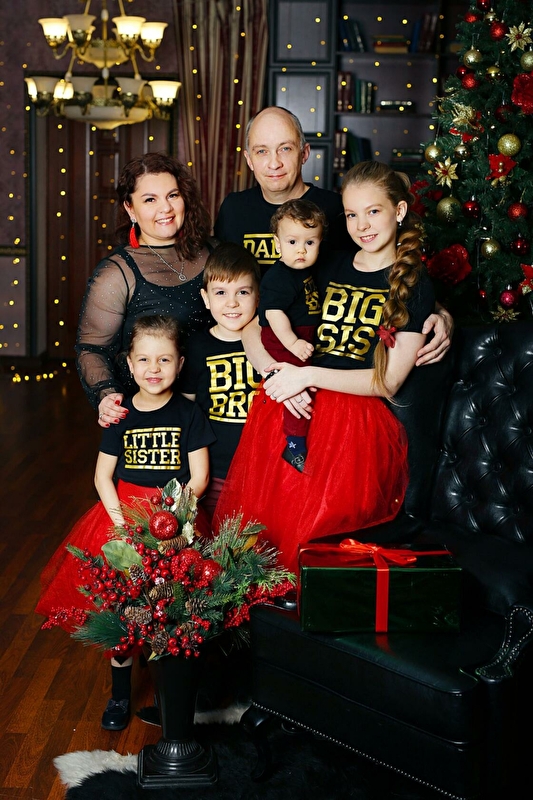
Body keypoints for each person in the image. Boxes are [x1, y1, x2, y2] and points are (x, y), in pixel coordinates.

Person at [214, 160, 435, 575]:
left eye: (373, 211)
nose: (362, 225)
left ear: (400, 211)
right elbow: (257, 323)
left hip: (354, 423)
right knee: (267, 536)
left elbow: (388, 381)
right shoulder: (326, 263)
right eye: (351, 214)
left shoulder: (413, 283)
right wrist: (275, 373)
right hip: (293, 404)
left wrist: (307, 375)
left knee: (322, 542)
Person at [36, 315, 216, 731]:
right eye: (145, 360)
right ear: (130, 365)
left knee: (172, 605)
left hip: (174, 518)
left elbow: (200, 477)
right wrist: (121, 524)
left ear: (179, 364)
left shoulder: (189, 413)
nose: (154, 369)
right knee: (122, 606)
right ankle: (119, 693)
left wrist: (171, 517)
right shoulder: (121, 415)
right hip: (122, 518)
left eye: (164, 359)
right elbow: (102, 477)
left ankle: (173, 686)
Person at [214, 105, 452, 366]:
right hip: (248, 345)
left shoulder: (339, 211)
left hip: (315, 347)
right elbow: (218, 280)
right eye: (262, 151)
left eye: (285, 149)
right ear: (249, 159)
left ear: (304, 153)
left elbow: (376, 272)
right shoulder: (234, 209)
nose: (274, 163)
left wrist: (438, 311)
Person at [75, 151, 217, 428]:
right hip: (152, 418)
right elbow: (91, 348)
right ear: (130, 209)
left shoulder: (215, 252)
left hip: (216, 408)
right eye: (150, 199)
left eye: (173, 195)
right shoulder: (117, 273)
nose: (166, 208)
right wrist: (107, 395)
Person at [180, 242, 263, 519]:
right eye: (220, 293)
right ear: (206, 298)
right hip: (213, 472)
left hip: (262, 472)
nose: (232, 303)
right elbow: (186, 411)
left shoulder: (271, 343)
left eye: (243, 292)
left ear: (258, 296)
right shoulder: (197, 347)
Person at [258, 199, 325, 471]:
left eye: (310, 242)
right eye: (293, 242)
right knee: (298, 387)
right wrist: (293, 342)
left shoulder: (308, 271)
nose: (301, 250)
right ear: (277, 244)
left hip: (300, 336)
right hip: (282, 337)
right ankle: (295, 443)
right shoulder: (278, 277)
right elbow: (274, 314)